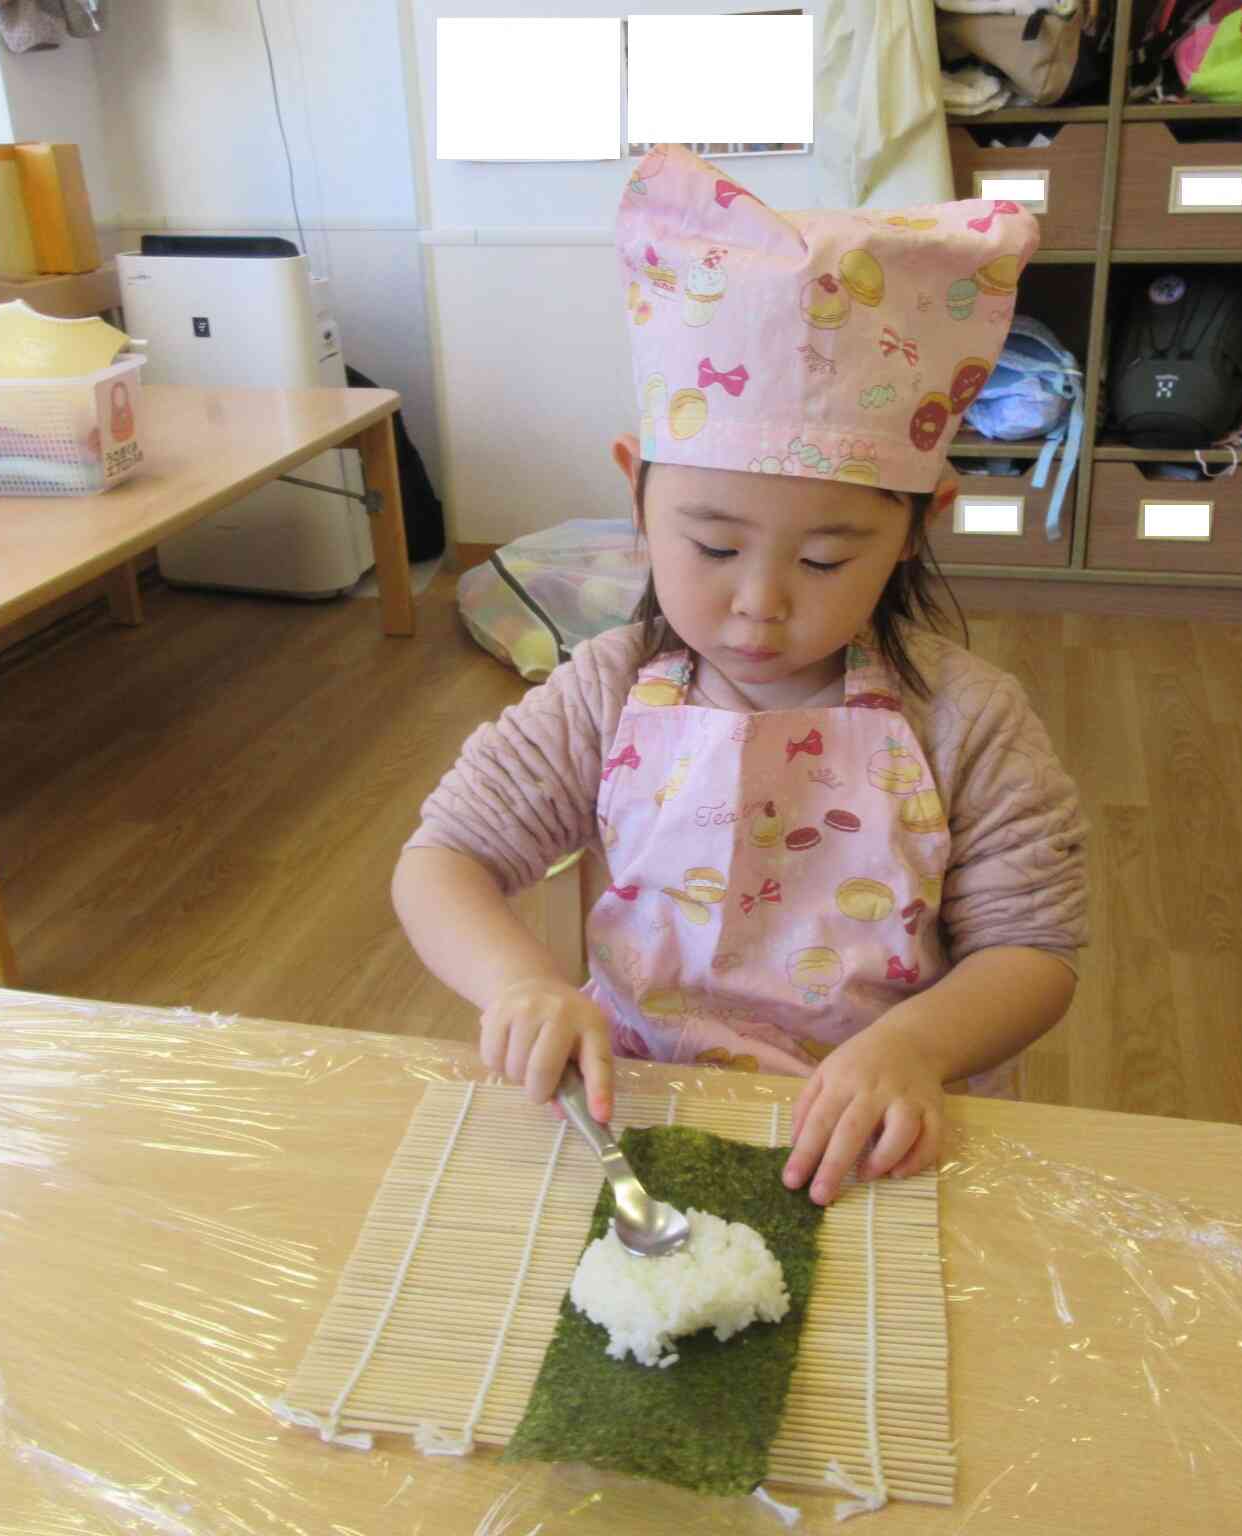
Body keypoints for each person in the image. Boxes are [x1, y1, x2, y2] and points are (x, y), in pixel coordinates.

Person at [393, 145, 1086, 1205]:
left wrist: (912, 1049)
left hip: (873, 1133)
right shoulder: (607, 688)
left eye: (822, 560)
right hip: (633, 1112)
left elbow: (1032, 950)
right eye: (711, 547)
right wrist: (523, 988)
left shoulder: (964, 718)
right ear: (635, 495)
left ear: (916, 527)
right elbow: (441, 860)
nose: (758, 602)